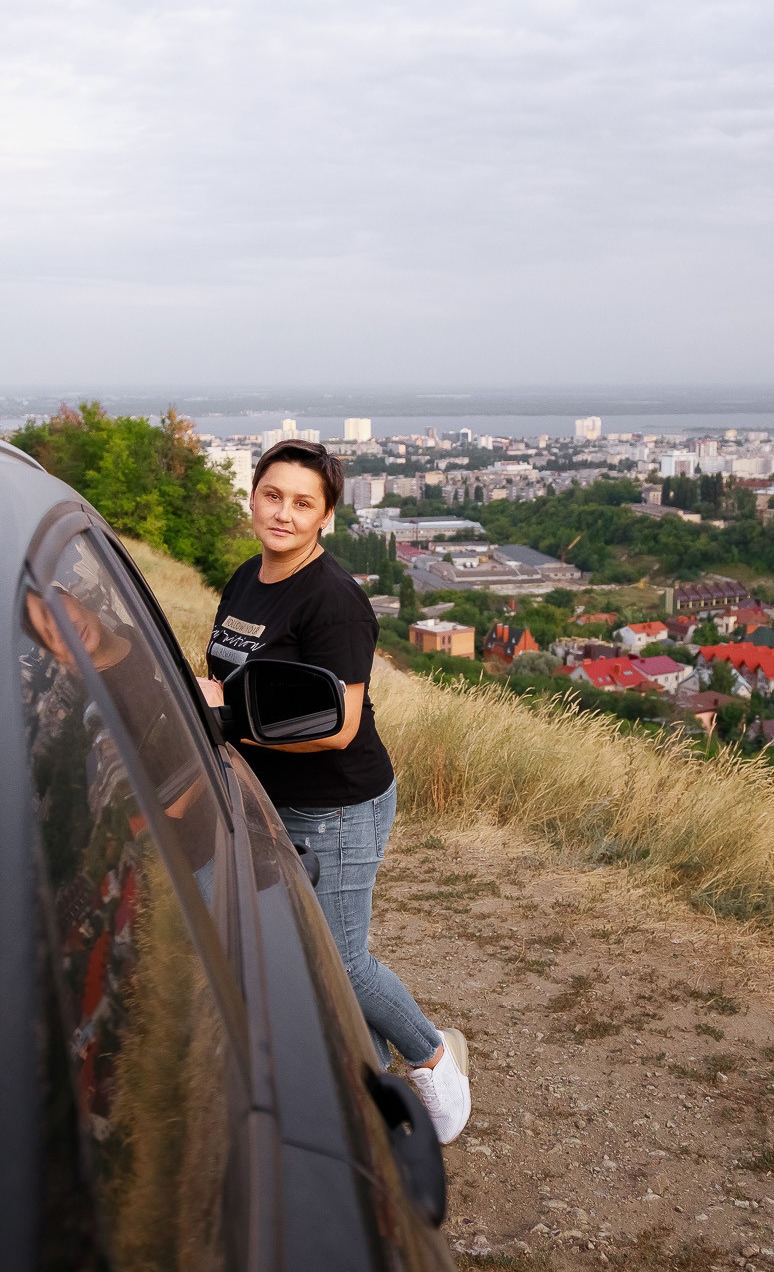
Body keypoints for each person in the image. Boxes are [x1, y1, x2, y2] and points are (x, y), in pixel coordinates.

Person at [199, 439, 471, 1143]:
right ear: (252, 495)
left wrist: (225, 719)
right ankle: (371, 1087)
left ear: (325, 517)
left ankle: (435, 1060)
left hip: (336, 801)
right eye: (273, 495)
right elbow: (230, 673)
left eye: (302, 502)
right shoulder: (245, 579)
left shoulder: (335, 602)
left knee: (341, 959)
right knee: (299, 951)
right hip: (265, 793)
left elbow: (338, 727)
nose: (283, 513)